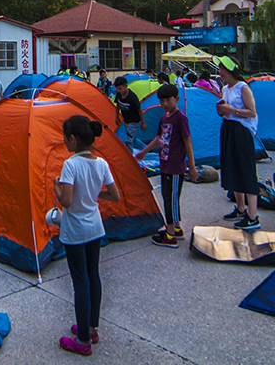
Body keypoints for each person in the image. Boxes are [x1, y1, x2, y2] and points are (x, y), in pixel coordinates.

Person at [53, 116, 120, 356]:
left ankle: (82, 341)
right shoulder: (101, 163)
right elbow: (115, 196)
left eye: (65, 137)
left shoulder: (70, 164)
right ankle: (91, 328)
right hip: (95, 227)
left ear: (72, 139)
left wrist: (57, 190)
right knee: (94, 276)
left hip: (75, 231)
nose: (64, 142)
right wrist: (93, 195)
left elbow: (68, 202)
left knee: (79, 282)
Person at [135, 84, 199, 246]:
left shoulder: (180, 118)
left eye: (168, 100)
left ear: (176, 99)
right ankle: (176, 228)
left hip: (176, 166)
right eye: (162, 101)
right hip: (164, 164)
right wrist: (144, 151)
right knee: (168, 197)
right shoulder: (164, 118)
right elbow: (158, 138)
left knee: (171, 199)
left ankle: (170, 236)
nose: (165, 104)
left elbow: (188, 141)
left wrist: (191, 165)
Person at [215, 56, 261, 231]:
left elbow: (252, 112)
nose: (220, 73)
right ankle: (241, 208)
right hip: (228, 129)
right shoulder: (225, 88)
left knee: (246, 170)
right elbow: (224, 111)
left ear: (231, 71)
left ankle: (253, 216)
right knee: (232, 167)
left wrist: (230, 110)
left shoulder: (243, 88)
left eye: (223, 69)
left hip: (241, 131)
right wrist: (222, 110)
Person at [113, 77, 146, 149]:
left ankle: (130, 157)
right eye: (117, 89)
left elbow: (139, 109)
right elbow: (118, 105)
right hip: (126, 120)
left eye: (120, 88)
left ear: (126, 86)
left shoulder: (132, 97)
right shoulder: (119, 95)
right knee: (132, 138)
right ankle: (145, 149)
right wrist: (117, 117)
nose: (119, 90)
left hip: (134, 121)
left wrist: (143, 123)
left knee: (128, 140)